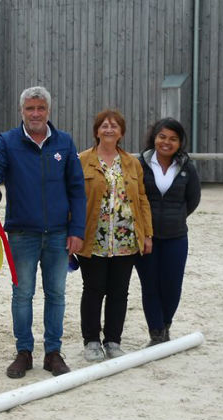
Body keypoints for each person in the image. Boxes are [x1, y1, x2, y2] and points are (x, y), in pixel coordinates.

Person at [0, 86, 86, 378]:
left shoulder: (64, 143)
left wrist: (76, 230)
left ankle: (53, 353)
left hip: (57, 235)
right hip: (21, 235)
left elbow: (77, 190)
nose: (36, 113)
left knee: (56, 295)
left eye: (41, 108)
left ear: (48, 111)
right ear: (22, 111)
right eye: (30, 108)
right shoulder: (7, 142)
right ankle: (24, 352)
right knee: (22, 294)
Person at [76, 110, 152, 361]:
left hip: (126, 239)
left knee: (120, 292)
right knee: (93, 289)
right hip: (94, 237)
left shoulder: (132, 163)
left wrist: (147, 235)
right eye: (104, 126)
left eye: (115, 126)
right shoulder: (82, 160)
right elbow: (73, 200)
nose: (109, 129)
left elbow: (141, 199)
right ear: (97, 131)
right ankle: (91, 341)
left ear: (122, 132)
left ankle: (113, 341)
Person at [135, 118, 200, 346]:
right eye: (162, 136)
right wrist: (145, 229)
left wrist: (175, 218)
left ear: (180, 142)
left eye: (173, 139)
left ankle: (166, 324)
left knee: (172, 286)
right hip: (146, 238)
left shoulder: (186, 167)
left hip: (176, 237)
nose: (166, 142)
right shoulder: (140, 164)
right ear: (154, 138)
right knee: (150, 285)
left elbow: (193, 200)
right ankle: (156, 333)